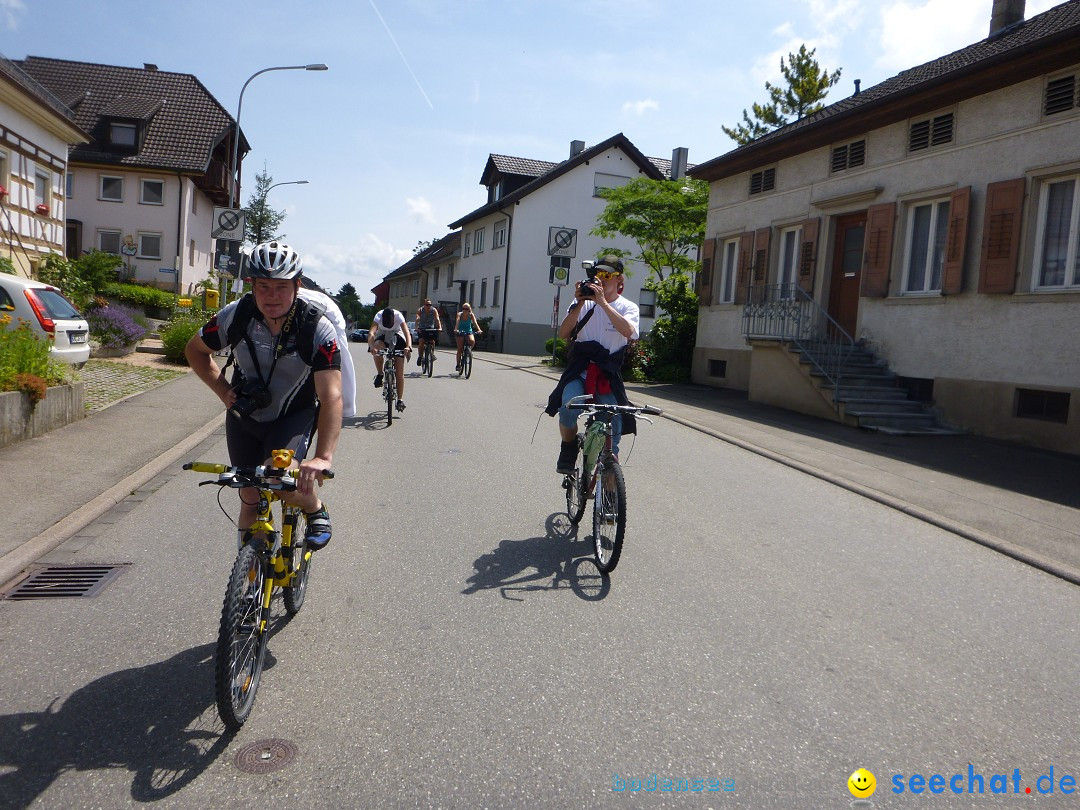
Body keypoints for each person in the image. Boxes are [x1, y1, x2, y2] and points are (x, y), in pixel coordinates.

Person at [184, 241, 340, 550]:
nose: (272, 296)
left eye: (281, 287)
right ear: (252, 285)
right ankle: (250, 583)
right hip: (245, 415)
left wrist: (322, 457)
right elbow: (195, 351)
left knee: (277, 481)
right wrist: (223, 390)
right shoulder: (238, 314)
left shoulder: (315, 327)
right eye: (263, 286)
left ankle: (313, 508)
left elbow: (332, 395)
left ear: (297, 285)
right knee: (250, 495)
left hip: (292, 416)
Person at [545, 256, 640, 474]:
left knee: (611, 430)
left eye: (607, 275)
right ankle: (568, 448)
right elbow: (564, 332)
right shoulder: (583, 302)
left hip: (607, 376)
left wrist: (603, 304)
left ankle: (608, 486)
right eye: (598, 275)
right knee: (568, 407)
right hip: (580, 371)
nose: (602, 280)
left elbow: (628, 332)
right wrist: (579, 302)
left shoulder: (627, 307)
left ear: (619, 279)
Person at [368, 305, 412, 411]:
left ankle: (400, 400)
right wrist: (371, 346)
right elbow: (371, 332)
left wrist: (408, 346)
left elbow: (407, 333)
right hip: (382, 334)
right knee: (377, 348)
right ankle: (380, 373)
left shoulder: (399, 316)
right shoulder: (378, 316)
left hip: (397, 335)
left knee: (399, 372)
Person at [454, 302, 482, 372]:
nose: (464, 310)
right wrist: (456, 329)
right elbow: (457, 321)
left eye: (466, 309)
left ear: (469, 309)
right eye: (463, 308)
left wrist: (479, 330)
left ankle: (468, 351)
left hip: (468, 330)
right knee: (460, 349)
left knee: (472, 341)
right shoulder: (459, 314)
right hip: (460, 331)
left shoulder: (471, 315)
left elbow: (475, 323)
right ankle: (458, 364)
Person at [415, 299, 442, 367]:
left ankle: (432, 354)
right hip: (422, 328)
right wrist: (416, 327)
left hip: (430, 328)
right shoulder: (420, 310)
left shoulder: (433, 310)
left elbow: (437, 319)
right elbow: (417, 318)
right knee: (421, 342)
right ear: (424, 305)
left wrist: (440, 327)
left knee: (432, 341)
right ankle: (420, 357)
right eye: (427, 305)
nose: (428, 306)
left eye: (430, 305)